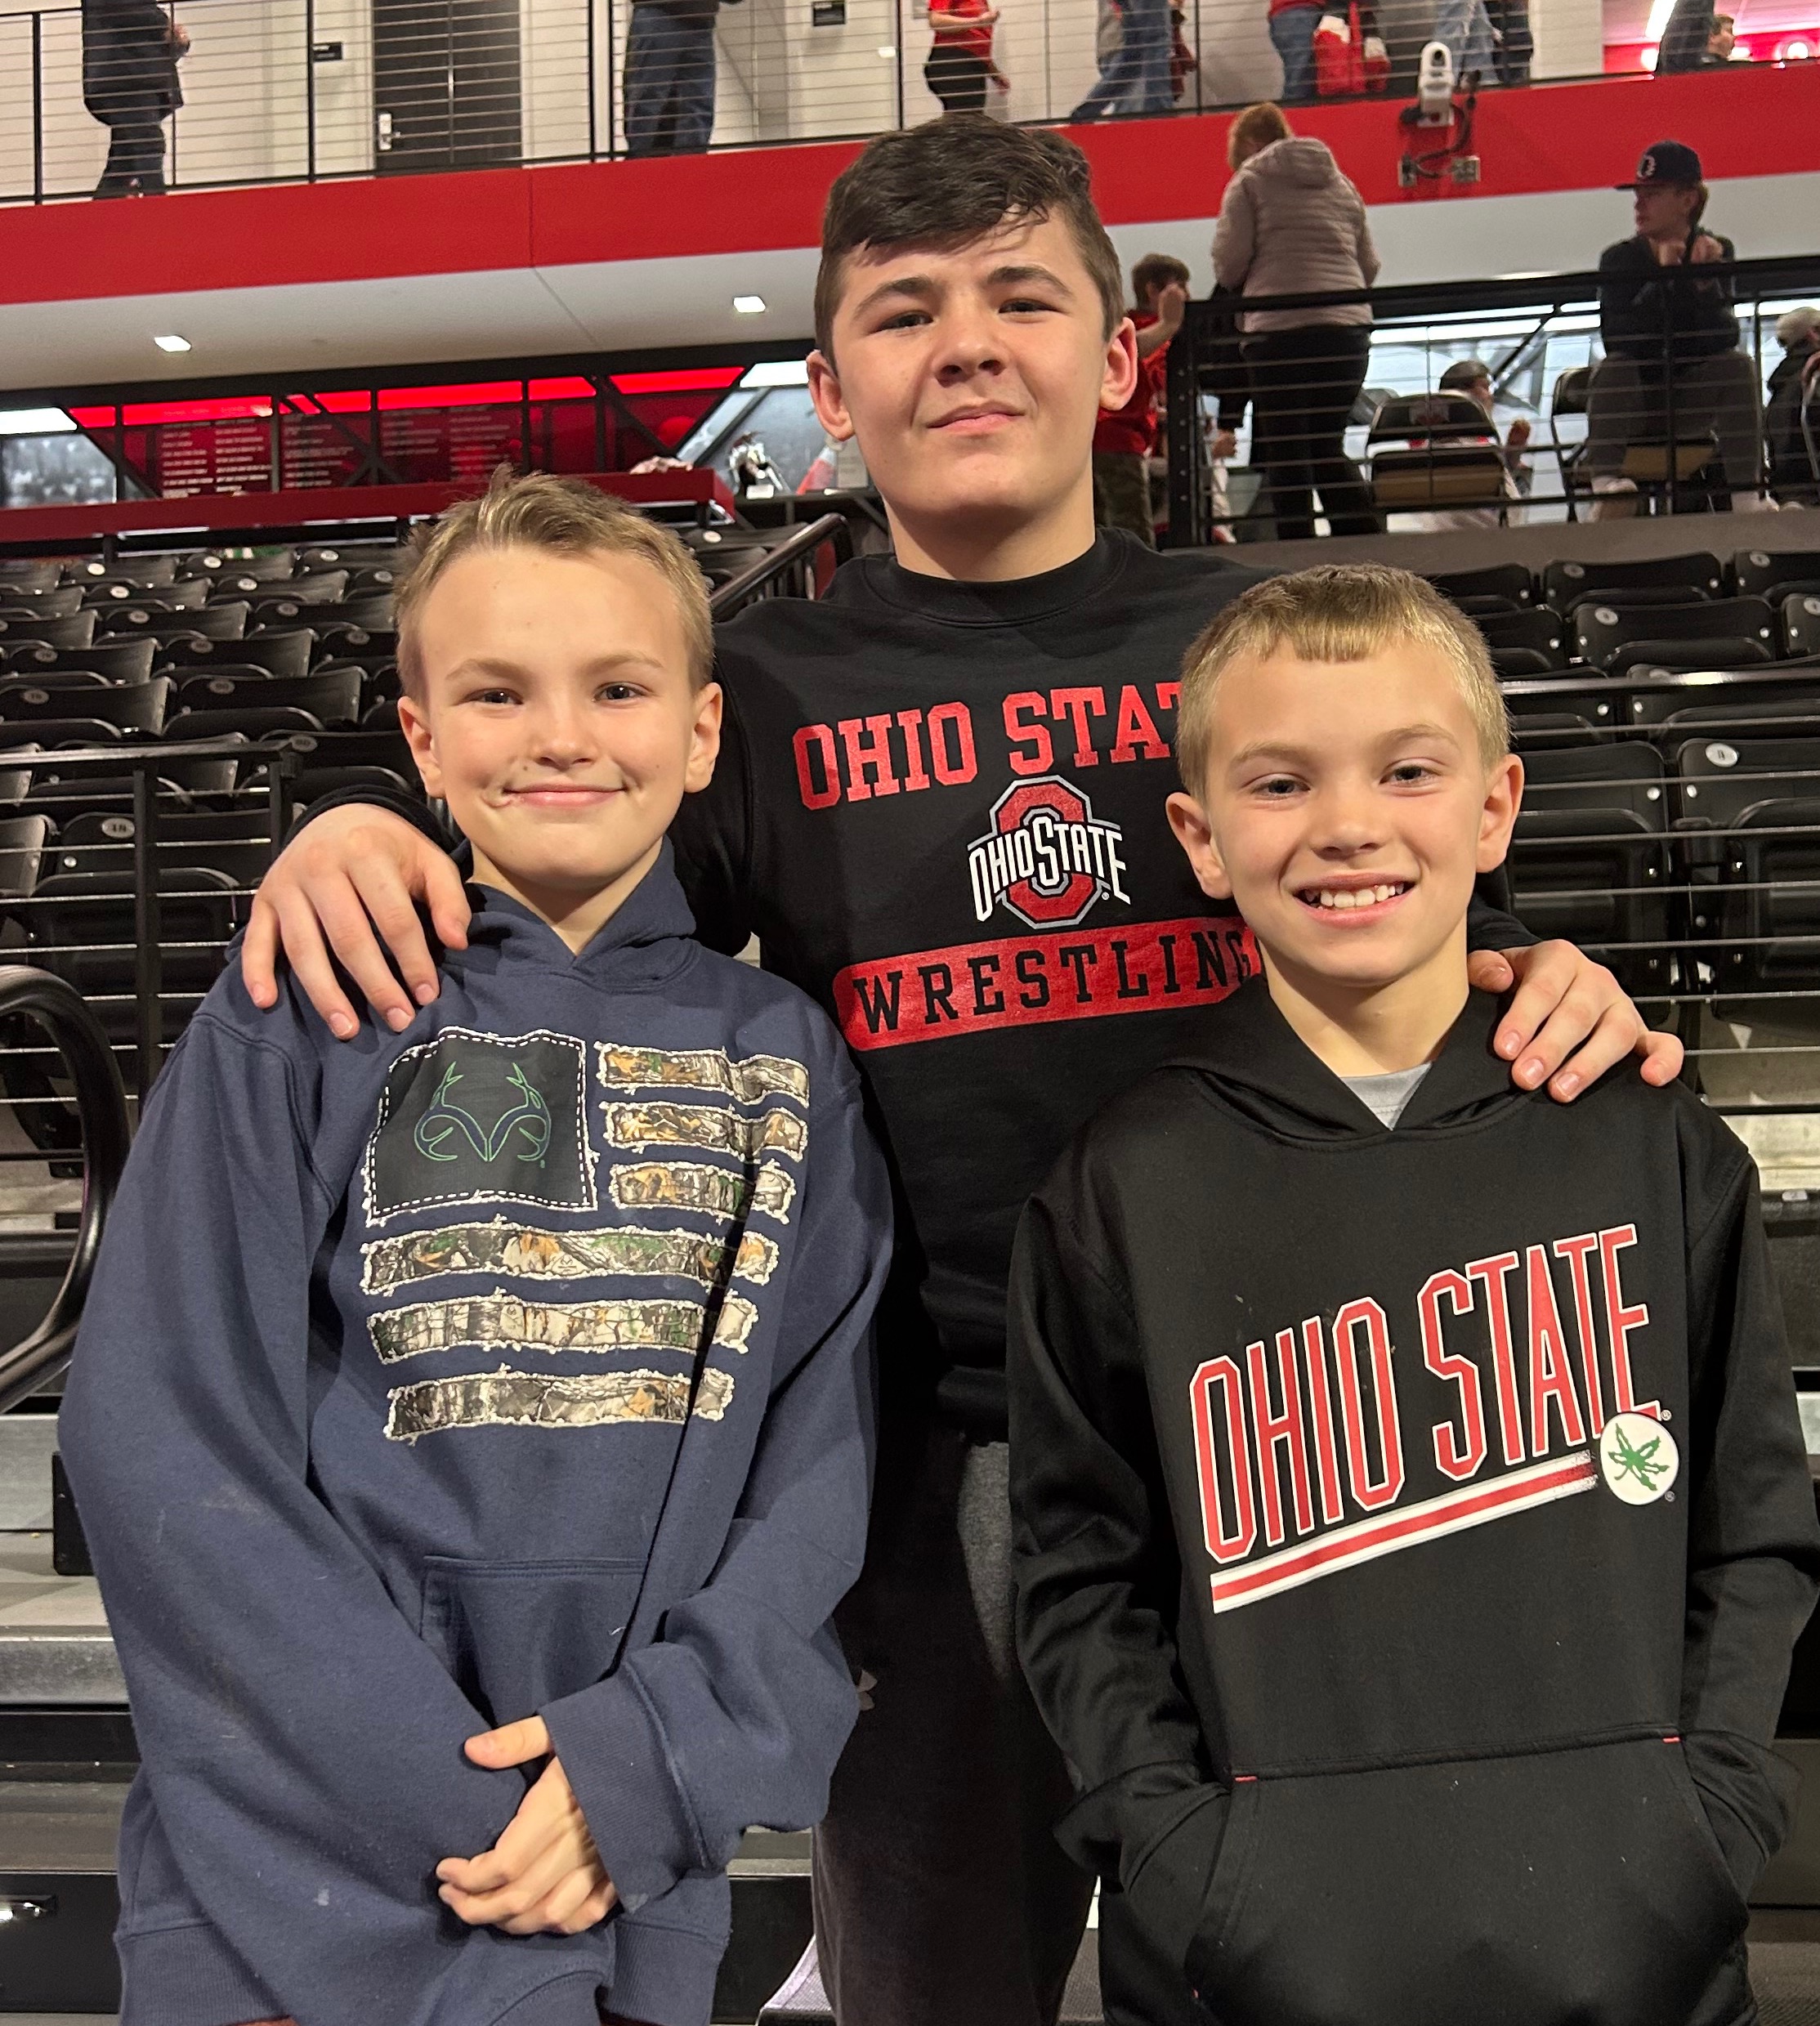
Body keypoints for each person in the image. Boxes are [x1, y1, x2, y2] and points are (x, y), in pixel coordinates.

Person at [235, 120, 1684, 2026]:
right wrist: (362, 816)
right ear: (833, 388)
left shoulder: (1243, 644)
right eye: (905, 312)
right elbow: (555, 881)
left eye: (1022, 298)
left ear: (1119, 352)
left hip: (1286, 1427)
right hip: (936, 1467)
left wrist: (1546, 973)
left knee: (1317, 1961)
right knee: (934, 1978)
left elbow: (1429, 915)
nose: (969, 346)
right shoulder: (760, 694)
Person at [59, 471, 892, 2026]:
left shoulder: (785, 1054)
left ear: (701, 729)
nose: (561, 734)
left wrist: (648, 1763)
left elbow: (815, 1478)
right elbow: (163, 1440)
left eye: (617, 687)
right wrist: (463, 1808)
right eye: (498, 692)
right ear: (423, 736)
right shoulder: (307, 1000)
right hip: (287, 1898)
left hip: (613, 1872)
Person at [1009, 562, 1820, 2026]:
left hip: (1632, 1938)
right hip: (1249, 1962)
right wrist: (1187, 1857)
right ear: (1198, 835)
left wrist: (1699, 1817)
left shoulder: (1647, 1140)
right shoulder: (1117, 1182)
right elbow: (1079, 1579)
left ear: (1494, 807)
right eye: (1279, 780)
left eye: (1405, 769)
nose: (1346, 823)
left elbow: (1752, 1522)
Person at [1213, 101, 1381, 541]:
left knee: (1288, 455)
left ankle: (1298, 557)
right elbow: (1369, 265)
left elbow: (1230, 265)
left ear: (1250, 144)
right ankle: (1369, 549)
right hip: (1346, 335)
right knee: (1327, 446)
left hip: (1278, 338)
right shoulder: (1342, 184)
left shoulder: (1249, 181)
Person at [1585, 141, 1773, 517]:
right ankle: (1606, 487)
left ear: (1687, 200)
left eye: (1652, 194)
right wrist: (1661, 281)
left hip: (1691, 399)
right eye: (1638, 195)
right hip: (1638, 401)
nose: (1639, 205)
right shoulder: (1620, 258)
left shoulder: (1716, 250)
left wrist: (1704, 285)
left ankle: (1746, 497)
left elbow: (1724, 338)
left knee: (1738, 365)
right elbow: (1617, 339)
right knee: (1615, 367)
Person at [1093, 253, 1191, 546]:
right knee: (1133, 532)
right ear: (1152, 290)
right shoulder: (1138, 328)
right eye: (1178, 287)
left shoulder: (1129, 325)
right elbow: (1128, 352)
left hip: (1110, 438)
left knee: (1104, 530)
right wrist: (1168, 325)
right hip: (1118, 437)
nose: (1186, 295)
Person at [1406, 355, 1532, 532]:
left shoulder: (1480, 440)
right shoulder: (1429, 437)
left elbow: (1487, 481)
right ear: (1461, 394)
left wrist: (1512, 454)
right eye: (1484, 388)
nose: (1490, 397)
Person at [83, 0, 187, 199]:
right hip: (127, 81)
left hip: (134, 81)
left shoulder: (147, 15)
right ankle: (157, 204)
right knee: (148, 143)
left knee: (125, 160)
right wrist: (165, 26)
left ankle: (101, 211)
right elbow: (125, 11)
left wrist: (176, 42)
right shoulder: (147, 15)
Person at [624, 0, 743, 157]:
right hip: (662, 13)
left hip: (698, 23)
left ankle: (690, 164)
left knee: (698, 102)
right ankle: (641, 161)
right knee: (650, 96)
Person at [1072, 0, 1175, 119]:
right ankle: (1084, 114)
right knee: (1134, 118)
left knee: (1137, 117)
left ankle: (1085, 113)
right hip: (1129, 47)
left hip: (1123, 46)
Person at [1767, 305, 1820, 506]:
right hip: (1813, 488)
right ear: (1813, 333)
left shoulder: (1781, 387)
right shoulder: (1814, 376)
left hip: (1788, 489)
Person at [927, 0, 1010, 113]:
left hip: (969, 63)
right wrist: (978, 21)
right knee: (967, 117)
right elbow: (936, 20)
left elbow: (977, 44)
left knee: (967, 117)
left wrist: (994, 74)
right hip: (953, 60)